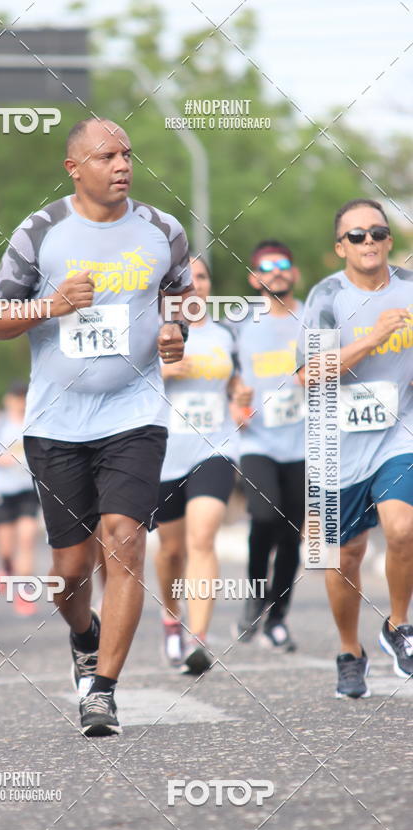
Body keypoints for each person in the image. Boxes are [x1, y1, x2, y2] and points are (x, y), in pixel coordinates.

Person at [0, 118, 193, 735]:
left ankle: (102, 689)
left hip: (136, 411)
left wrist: (177, 332)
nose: (122, 164)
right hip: (58, 422)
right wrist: (52, 305)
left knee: (124, 539)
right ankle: (83, 631)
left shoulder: (162, 230)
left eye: (128, 152)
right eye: (107, 155)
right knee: (70, 571)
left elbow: (179, 295)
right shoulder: (41, 233)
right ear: (74, 167)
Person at [296, 198, 413, 698]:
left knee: (403, 528)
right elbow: (308, 375)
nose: (369, 242)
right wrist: (372, 338)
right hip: (334, 442)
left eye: (377, 232)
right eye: (357, 236)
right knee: (343, 557)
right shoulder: (326, 297)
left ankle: (399, 625)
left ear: (389, 240)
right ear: (340, 246)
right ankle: (350, 651)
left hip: (398, 431)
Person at [154, 256, 249, 673]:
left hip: (216, 445)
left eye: (202, 277)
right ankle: (172, 619)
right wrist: (165, 371)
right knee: (171, 550)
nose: (195, 285)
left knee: (203, 536)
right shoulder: (153, 331)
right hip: (164, 451)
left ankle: (199, 639)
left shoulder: (227, 334)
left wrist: (239, 390)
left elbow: (234, 379)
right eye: (184, 280)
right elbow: (122, 382)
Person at [231, 241, 306, 651]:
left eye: (283, 265)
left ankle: (278, 619)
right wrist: (234, 399)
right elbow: (227, 375)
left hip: (304, 443)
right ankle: (255, 594)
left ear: (293, 273)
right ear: (254, 278)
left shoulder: (314, 317)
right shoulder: (242, 324)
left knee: (292, 533)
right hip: (258, 440)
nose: (275, 272)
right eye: (266, 267)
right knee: (263, 516)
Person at [0, 381, 40, 616]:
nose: (20, 403)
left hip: (27, 489)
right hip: (2, 491)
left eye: (24, 398)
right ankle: (5, 569)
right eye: (16, 398)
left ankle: (24, 592)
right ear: (8, 400)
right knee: (6, 549)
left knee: (26, 540)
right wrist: (0, 460)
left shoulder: (35, 420)